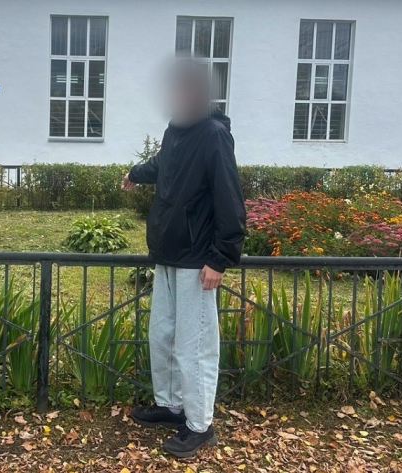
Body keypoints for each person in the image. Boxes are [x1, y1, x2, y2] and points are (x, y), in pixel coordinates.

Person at [121, 62, 246, 458]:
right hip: (168, 253)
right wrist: (136, 173)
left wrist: (220, 258)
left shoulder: (214, 135)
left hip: (197, 260)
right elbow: (164, 165)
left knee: (195, 345)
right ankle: (172, 405)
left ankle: (199, 424)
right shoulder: (175, 129)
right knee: (163, 335)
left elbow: (230, 199)